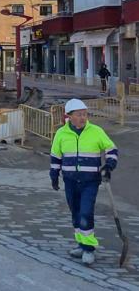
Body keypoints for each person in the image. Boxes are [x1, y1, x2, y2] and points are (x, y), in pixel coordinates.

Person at [50, 98, 119, 265]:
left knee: (86, 213)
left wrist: (109, 166)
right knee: (75, 214)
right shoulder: (61, 133)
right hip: (70, 181)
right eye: (79, 115)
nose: (83, 117)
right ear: (69, 116)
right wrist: (54, 175)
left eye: (85, 114)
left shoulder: (96, 131)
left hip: (90, 182)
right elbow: (55, 156)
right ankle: (81, 244)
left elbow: (112, 149)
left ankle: (89, 249)